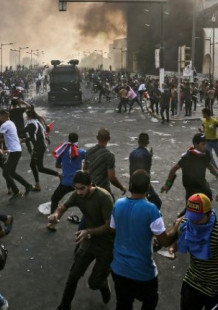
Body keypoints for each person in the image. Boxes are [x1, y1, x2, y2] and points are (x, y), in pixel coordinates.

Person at [49, 170, 114, 310]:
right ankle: (64, 306)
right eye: (76, 188)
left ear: (90, 185)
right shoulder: (77, 195)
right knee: (73, 275)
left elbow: (109, 226)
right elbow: (63, 207)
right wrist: (56, 214)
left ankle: (102, 284)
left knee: (94, 283)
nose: (78, 192)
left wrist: (88, 232)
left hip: (107, 244)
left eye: (82, 188)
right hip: (89, 240)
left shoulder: (104, 197)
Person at [110, 170, 172, 310]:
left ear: (131, 185)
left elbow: (113, 229)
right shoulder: (151, 210)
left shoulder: (118, 204)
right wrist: (177, 226)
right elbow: (165, 241)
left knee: (123, 303)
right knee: (150, 301)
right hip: (142, 271)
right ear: (148, 187)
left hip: (119, 268)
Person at [160, 193, 218, 310]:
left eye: (197, 218)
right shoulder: (187, 224)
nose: (193, 221)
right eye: (191, 216)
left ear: (209, 213)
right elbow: (181, 236)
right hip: (193, 281)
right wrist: (172, 249)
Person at [161, 133, 218, 205]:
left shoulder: (206, 153)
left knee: (208, 199)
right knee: (192, 207)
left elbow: (209, 165)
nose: (205, 146)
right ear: (196, 144)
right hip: (191, 187)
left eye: (206, 144)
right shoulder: (187, 157)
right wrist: (167, 184)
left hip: (202, 184)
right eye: (203, 144)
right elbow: (173, 169)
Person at [47, 133, 86, 230]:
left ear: (68, 139)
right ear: (77, 140)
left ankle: (52, 223)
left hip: (66, 182)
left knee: (55, 198)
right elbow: (88, 161)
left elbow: (57, 165)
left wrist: (66, 166)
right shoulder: (81, 152)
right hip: (79, 182)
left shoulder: (63, 151)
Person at [0, 109, 33, 199]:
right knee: (12, 172)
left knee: (6, 173)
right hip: (17, 149)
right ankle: (28, 185)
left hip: (14, 151)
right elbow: (7, 137)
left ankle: (16, 191)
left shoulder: (4, 125)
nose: (0, 118)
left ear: (4, 116)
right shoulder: (11, 123)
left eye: (0, 117)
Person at [83, 128, 127, 195]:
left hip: (90, 188)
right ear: (109, 138)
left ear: (97, 137)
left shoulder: (89, 151)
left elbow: (85, 170)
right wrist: (121, 187)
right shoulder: (109, 155)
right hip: (103, 190)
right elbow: (112, 177)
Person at [24, 109, 56, 191]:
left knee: (40, 168)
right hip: (39, 146)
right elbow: (37, 135)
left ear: (29, 116)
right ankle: (37, 185)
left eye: (26, 116)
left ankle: (59, 174)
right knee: (33, 165)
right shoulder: (37, 122)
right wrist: (26, 140)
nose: (26, 117)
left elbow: (23, 131)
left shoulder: (32, 124)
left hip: (39, 147)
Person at [128, 132, 161, 209]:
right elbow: (145, 170)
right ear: (148, 142)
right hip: (143, 185)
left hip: (133, 183)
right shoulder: (147, 154)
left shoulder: (132, 153)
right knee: (157, 202)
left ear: (138, 141)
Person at [200, 108, 218, 174]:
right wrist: (201, 131)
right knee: (210, 157)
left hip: (215, 141)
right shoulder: (204, 121)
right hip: (207, 142)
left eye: (203, 113)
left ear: (206, 114)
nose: (202, 114)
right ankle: (217, 170)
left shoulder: (214, 121)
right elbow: (204, 130)